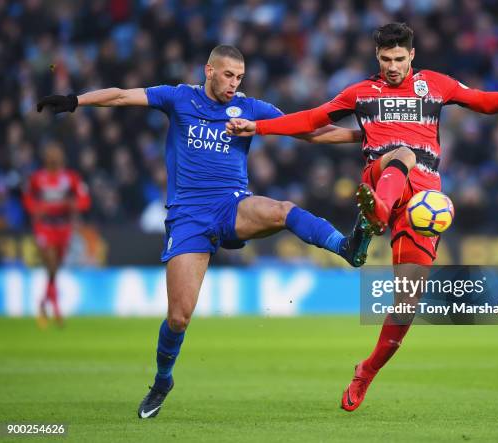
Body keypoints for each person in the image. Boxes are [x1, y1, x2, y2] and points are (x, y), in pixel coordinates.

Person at [37, 45, 372, 419]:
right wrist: (75, 101)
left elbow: (308, 131)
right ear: (209, 70)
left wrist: (367, 136)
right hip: (189, 217)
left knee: (282, 210)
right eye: (228, 75)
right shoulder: (178, 98)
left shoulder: (250, 108)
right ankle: (163, 380)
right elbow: (120, 96)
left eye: (240, 77)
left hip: (232, 205)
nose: (234, 84)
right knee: (179, 317)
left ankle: (346, 246)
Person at [226, 23, 498, 411]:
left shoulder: (435, 85)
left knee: (406, 305)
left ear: (412, 55)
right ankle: (377, 214)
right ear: (377, 56)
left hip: (423, 204)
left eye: (399, 59)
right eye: (385, 59)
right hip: (380, 179)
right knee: (402, 153)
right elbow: (312, 119)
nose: (392, 66)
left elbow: (480, 101)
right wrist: (260, 126)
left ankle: (366, 371)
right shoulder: (361, 93)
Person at [23, 142, 91, 328]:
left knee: (54, 269)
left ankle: (44, 301)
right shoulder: (37, 178)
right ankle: (56, 308)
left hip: (63, 227)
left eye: (56, 155)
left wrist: (73, 206)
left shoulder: (70, 178)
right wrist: (36, 209)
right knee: (51, 263)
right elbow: (28, 198)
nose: (53, 158)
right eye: (50, 155)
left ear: (61, 158)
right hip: (44, 227)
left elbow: (84, 199)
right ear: (46, 158)